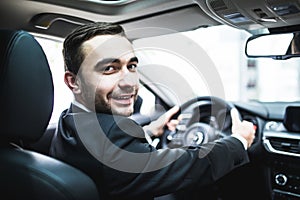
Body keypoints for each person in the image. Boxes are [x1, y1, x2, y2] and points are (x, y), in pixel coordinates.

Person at [49, 22, 255, 200]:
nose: (129, 82)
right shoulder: (111, 134)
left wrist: (148, 131)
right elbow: (189, 166)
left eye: (131, 66)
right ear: (73, 81)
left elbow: (112, 156)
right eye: (110, 69)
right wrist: (239, 141)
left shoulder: (70, 118)